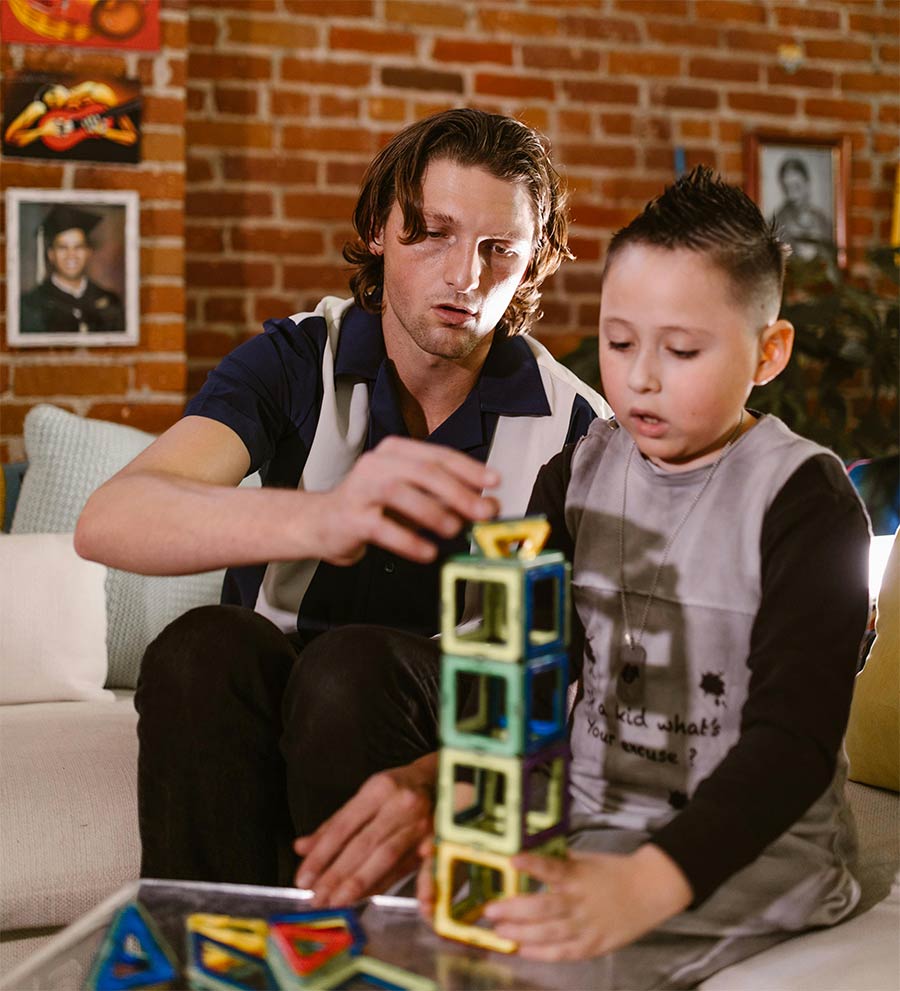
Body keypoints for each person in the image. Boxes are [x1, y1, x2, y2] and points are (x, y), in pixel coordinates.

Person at [75, 109, 609, 895]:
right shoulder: (297, 359)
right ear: (378, 230)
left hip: (437, 717)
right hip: (280, 679)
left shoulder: (576, 426)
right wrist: (327, 516)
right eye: (433, 232)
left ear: (531, 267)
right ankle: (206, 958)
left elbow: (581, 687)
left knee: (350, 666)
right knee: (200, 646)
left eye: (500, 249)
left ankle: (355, 961)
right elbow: (109, 520)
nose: (465, 275)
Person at [417, 167, 870, 987]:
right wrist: (466, 814)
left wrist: (642, 884)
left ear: (768, 354)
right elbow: (518, 668)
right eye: (620, 342)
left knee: (548, 968)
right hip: (592, 817)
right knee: (428, 942)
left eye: (683, 349)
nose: (642, 378)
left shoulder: (807, 500)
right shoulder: (579, 469)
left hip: (752, 843)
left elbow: (793, 744)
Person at [19, 203, 126, 335]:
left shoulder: (110, 302)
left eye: (78, 247)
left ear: (88, 252)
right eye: (63, 247)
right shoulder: (31, 305)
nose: (71, 255)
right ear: (51, 255)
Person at [4, 81, 138, 151]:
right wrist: (42, 131)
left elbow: (131, 137)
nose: (54, 100)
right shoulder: (44, 110)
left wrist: (104, 132)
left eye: (53, 95)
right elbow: (9, 138)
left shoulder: (97, 93)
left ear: (59, 87)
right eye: (52, 104)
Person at [772, 156, 833, 263]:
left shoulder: (822, 220)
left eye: (797, 187)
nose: (792, 196)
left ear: (807, 183)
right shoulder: (777, 223)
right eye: (787, 188)